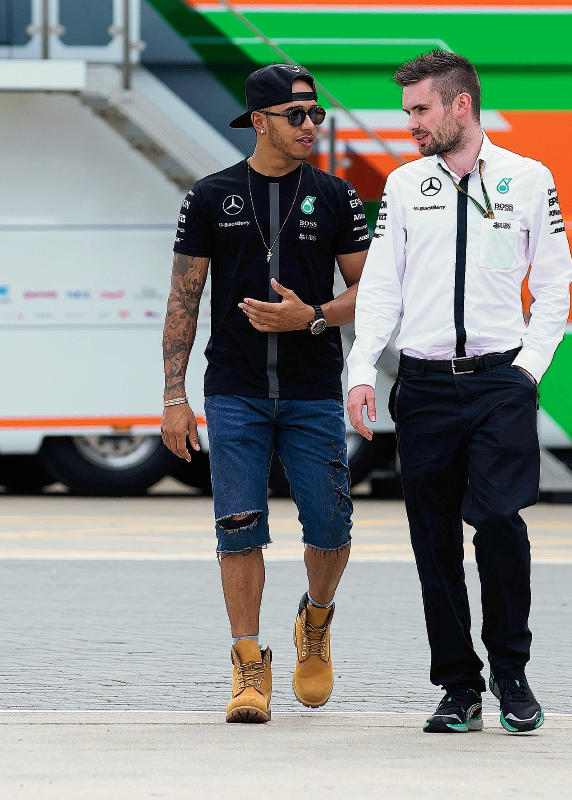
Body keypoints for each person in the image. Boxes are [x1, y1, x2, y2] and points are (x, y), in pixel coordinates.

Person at [346, 50, 572, 734]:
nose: (411, 122)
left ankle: (512, 673)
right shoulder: (405, 185)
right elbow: (382, 285)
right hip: (423, 387)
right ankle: (459, 687)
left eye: (421, 109)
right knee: (432, 539)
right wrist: (360, 369)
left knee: (500, 523)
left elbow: (556, 283)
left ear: (460, 106)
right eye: (408, 109)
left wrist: (528, 369)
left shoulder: (530, 179)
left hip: (500, 382)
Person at [161, 63, 371, 723]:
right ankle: (249, 664)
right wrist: (174, 396)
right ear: (259, 121)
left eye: (316, 115)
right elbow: (183, 300)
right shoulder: (210, 195)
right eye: (296, 115)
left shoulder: (338, 196)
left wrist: (309, 316)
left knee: (331, 525)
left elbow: (373, 296)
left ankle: (316, 618)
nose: (311, 126)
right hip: (234, 390)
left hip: (313, 391)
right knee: (238, 526)